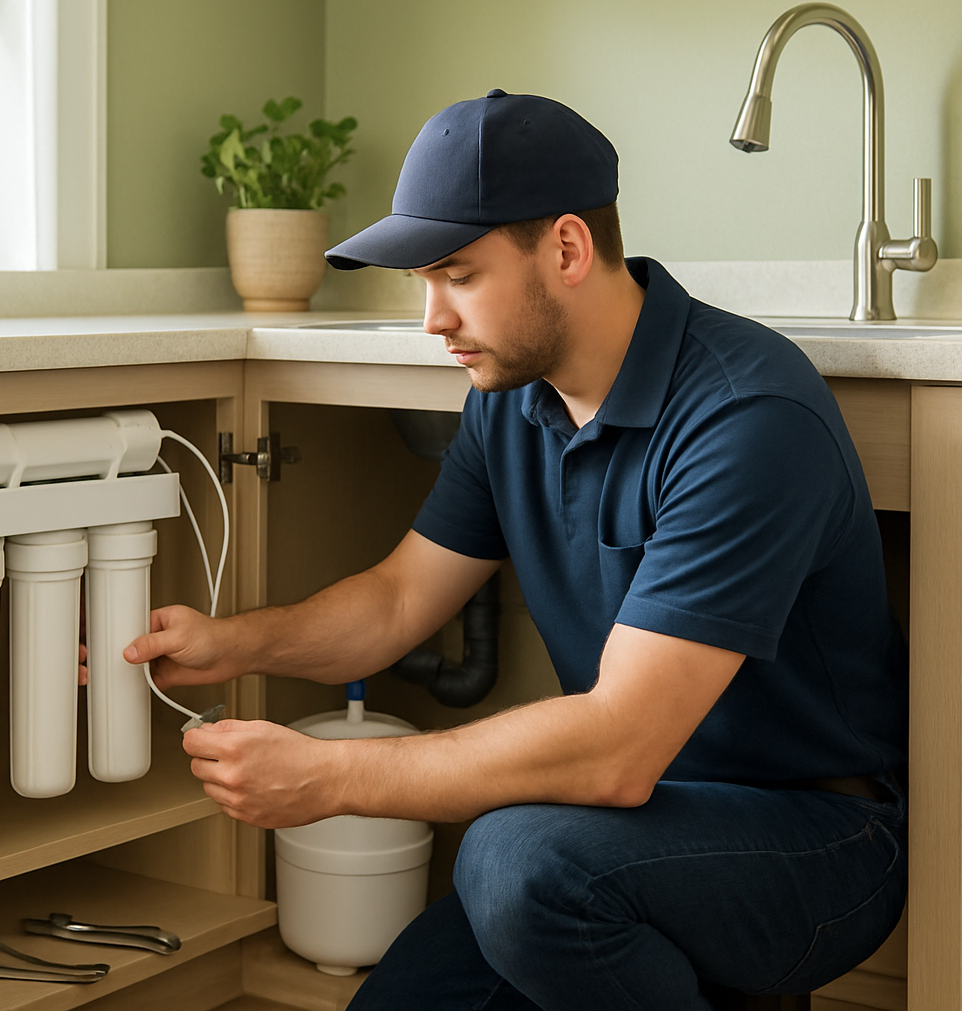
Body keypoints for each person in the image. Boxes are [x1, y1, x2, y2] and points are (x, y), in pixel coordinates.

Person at [125, 89, 907, 1010]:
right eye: (423, 282)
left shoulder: (743, 417)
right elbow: (397, 601)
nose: (432, 320)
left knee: (513, 857)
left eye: (457, 275)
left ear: (567, 250)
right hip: (624, 826)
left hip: (812, 835)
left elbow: (617, 746)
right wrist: (231, 644)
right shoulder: (508, 402)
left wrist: (330, 776)